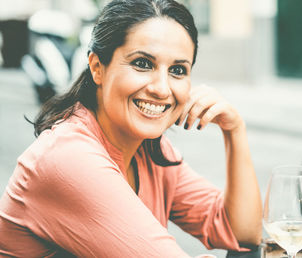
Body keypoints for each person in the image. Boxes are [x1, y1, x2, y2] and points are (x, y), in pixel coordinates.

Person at [0, 0, 262, 256]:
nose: (161, 88)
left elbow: (242, 232)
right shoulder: (68, 156)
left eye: (178, 70)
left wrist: (234, 130)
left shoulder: (150, 150)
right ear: (97, 68)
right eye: (143, 64)